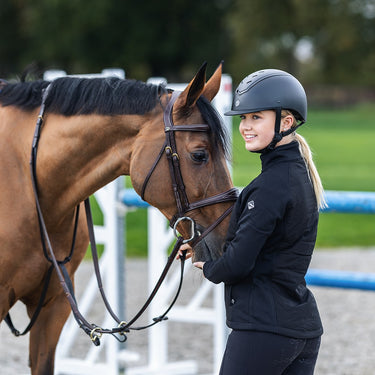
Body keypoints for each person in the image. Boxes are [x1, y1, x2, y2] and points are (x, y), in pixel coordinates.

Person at [179, 69, 325, 374]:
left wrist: (210, 268)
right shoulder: (296, 175)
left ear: (286, 122)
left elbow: (238, 263)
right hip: (301, 329)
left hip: (264, 330)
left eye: (256, 117)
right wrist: (201, 251)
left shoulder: (270, 185)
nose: (245, 126)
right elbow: (264, 247)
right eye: (244, 118)